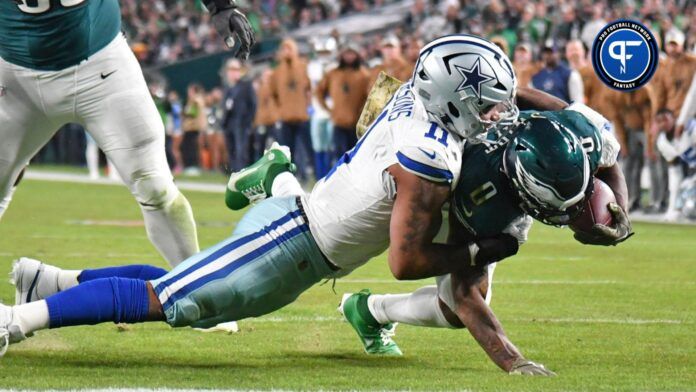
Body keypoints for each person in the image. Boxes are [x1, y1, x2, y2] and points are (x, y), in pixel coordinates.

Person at [0, 34, 526, 359]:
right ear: (452, 99)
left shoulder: (418, 95)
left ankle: (47, 282)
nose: (498, 115)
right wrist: (479, 252)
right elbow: (404, 260)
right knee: (172, 300)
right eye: (488, 104)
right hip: (288, 242)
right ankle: (19, 321)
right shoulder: (430, 155)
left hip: (302, 233)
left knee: (189, 295)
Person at [340, 104, 630, 371]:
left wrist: (621, 210)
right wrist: (513, 361)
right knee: (457, 305)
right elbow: (465, 293)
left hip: (510, 151)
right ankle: (370, 309)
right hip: (449, 184)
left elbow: (609, 158)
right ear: (521, 187)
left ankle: (368, 311)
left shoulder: (579, 131)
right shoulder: (481, 194)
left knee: (456, 309)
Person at [0, 0, 255, 266]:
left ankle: (197, 288)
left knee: (154, 186)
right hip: (14, 78)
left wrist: (220, 6)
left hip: (101, 67)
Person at [270, 38, 314, 182]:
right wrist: (281, 110)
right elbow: (274, 94)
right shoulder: (277, 72)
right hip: (286, 117)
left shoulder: (303, 67)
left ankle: (313, 177)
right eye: (284, 49)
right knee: (288, 152)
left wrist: (307, 107)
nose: (287, 52)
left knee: (309, 150)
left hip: (302, 116)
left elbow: (309, 90)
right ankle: (290, 179)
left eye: (289, 49)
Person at [315, 45, 370, 159]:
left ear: (357, 55)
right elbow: (319, 92)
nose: (349, 57)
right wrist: (328, 110)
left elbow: (369, 97)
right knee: (340, 156)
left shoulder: (364, 75)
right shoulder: (333, 74)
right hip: (338, 123)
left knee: (357, 157)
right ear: (341, 56)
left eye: (352, 54)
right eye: (346, 54)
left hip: (357, 124)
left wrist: (362, 114)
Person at [222, 59, 257, 172]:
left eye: (236, 69)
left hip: (241, 124)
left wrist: (248, 122)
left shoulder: (246, 86)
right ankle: (234, 174)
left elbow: (253, 105)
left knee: (241, 151)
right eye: (231, 69)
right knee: (231, 150)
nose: (233, 72)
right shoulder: (228, 88)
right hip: (229, 123)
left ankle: (241, 175)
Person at [252, 69, 280, 161]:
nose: (268, 79)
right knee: (260, 147)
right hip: (262, 121)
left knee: (278, 145)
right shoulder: (258, 88)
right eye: (266, 76)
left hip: (274, 120)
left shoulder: (276, 88)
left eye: (270, 77)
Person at [181, 83, 208, 176]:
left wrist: (185, 114)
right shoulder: (195, 100)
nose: (188, 93)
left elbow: (191, 113)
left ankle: (193, 167)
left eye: (190, 91)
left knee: (192, 147)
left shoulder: (196, 100)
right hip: (190, 128)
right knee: (189, 147)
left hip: (193, 127)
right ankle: (190, 166)